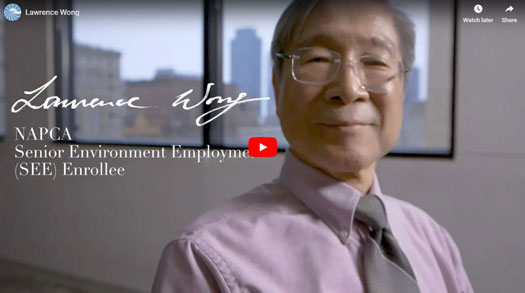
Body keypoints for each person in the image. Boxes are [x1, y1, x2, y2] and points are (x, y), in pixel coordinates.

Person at [152, 0, 474, 292]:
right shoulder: (206, 260)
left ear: (402, 88)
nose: (348, 89)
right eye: (317, 59)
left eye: (375, 62)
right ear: (277, 88)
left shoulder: (434, 241)